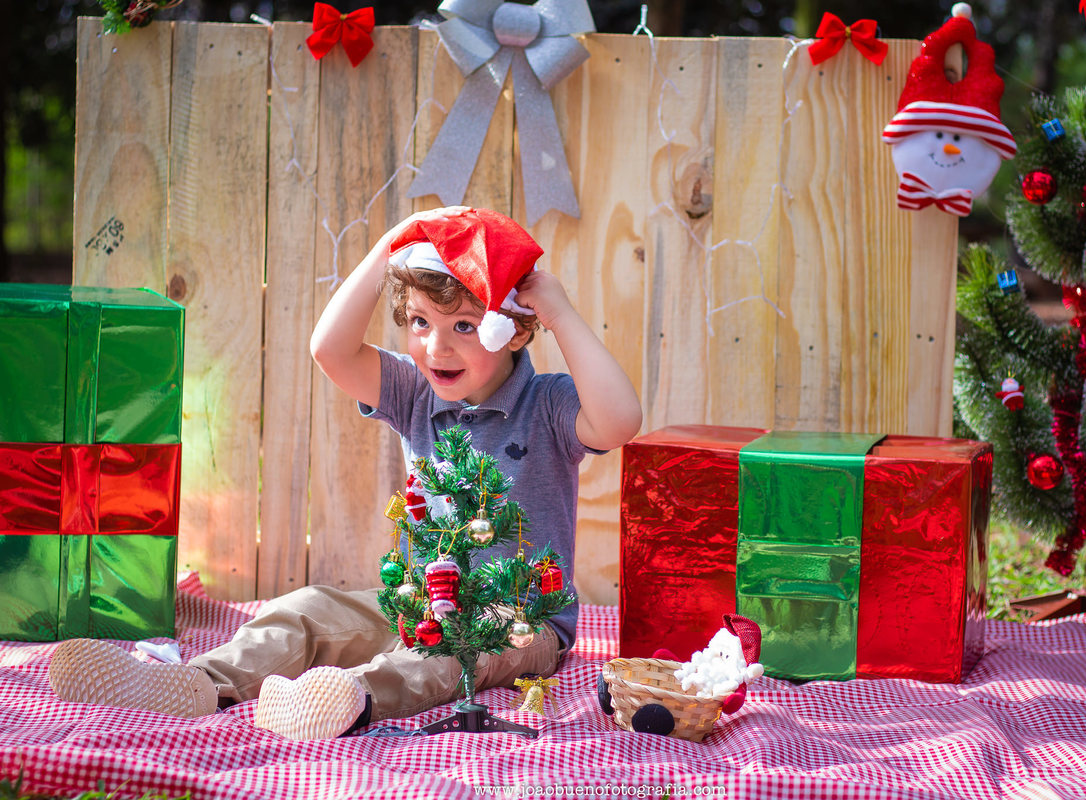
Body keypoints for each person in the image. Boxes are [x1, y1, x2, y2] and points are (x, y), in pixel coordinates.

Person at [48, 206, 643, 740]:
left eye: (464, 326)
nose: (436, 348)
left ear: (510, 329)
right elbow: (330, 348)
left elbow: (620, 421)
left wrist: (557, 309)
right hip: (415, 602)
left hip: (516, 622)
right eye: (418, 322)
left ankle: (347, 697)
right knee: (307, 608)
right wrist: (391, 246)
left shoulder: (548, 403)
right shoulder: (415, 393)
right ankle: (200, 683)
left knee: (448, 654)